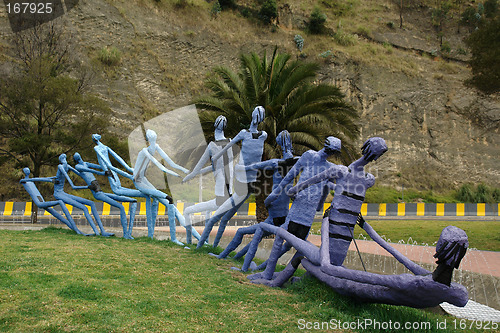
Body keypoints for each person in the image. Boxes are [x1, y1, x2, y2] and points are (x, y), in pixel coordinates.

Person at [248, 136, 341, 278]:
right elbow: (290, 175)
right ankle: (267, 272)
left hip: (308, 214)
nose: (330, 153)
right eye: (330, 151)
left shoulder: (329, 167)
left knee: (294, 244)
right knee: (283, 239)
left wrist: (320, 204)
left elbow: (325, 189)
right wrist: (275, 193)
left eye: (332, 152)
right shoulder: (309, 156)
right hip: (299, 209)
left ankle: (274, 273)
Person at [212, 130, 298, 272]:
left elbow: (254, 166)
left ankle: (238, 265)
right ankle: (236, 258)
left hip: (274, 217)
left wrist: (241, 168)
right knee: (255, 238)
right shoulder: (298, 163)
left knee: (241, 232)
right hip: (284, 216)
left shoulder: (276, 163)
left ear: (280, 144)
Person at [196, 106, 267, 249]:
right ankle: (213, 248)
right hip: (248, 185)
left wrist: (216, 157)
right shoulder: (259, 135)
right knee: (224, 219)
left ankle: (199, 248)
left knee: (214, 219)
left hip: (243, 185)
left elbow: (227, 148)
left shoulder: (252, 134)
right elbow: (228, 147)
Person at [182, 115, 234, 244]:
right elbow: (217, 167)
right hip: (231, 195)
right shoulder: (230, 142)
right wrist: (196, 174)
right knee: (208, 212)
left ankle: (189, 243)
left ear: (214, 126)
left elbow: (197, 169)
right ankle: (206, 243)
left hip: (220, 199)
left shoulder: (211, 146)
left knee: (187, 211)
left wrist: (187, 177)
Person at [73, 152, 138, 239]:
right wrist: (102, 173)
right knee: (121, 207)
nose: (77, 154)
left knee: (128, 199)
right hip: (97, 193)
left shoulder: (86, 163)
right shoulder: (78, 166)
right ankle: (126, 235)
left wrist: (108, 167)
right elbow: (90, 170)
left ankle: (127, 232)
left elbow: (99, 167)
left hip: (101, 191)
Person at [53, 153, 113, 236]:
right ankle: (90, 232)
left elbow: (81, 172)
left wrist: (104, 170)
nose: (64, 158)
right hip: (58, 194)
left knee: (91, 203)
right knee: (84, 208)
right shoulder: (60, 167)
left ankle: (102, 231)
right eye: (62, 157)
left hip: (63, 192)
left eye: (65, 157)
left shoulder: (68, 166)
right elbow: (73, 186)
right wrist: (88, 187)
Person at [20, 167, 84, 234]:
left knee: (60, 217)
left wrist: (57, 177)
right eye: (26, 170)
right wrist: (51, 180)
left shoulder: (31, 180)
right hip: (39, 203)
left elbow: (44, 178)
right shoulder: (24, 180)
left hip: (42, 201)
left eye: (28, 170)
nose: (28, 171)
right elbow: (37, 179)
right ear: (24, 172)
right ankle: (77, 231)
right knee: (60, 201)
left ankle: (77, 231)